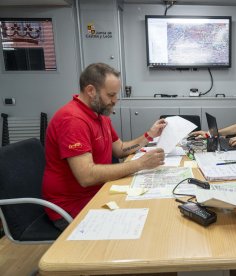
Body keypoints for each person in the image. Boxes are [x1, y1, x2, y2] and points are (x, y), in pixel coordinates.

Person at [42, 63, 166, 230]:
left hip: (98, 192)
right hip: (71, 208)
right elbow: (87, 177)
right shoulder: (72, 120)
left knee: (154, 209)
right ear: (91, 91)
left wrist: (149, 135)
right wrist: (139, 164)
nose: (115, 101)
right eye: (111, 95)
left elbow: (120, 149)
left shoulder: (99, 114)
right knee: (145, 224)